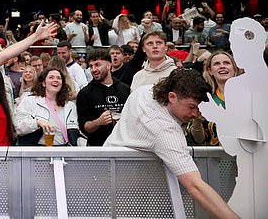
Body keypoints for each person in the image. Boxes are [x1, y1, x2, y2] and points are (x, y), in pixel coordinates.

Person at [105, 68, 240, 219]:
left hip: (117, 172)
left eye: (198, 107)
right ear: (172, 97)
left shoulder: (145, 91)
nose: (196, 114)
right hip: (126, 187)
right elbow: (195, 186)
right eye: (191, 107)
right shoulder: (164, 131)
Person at [184, 51, 241, 146]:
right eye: (217, 64)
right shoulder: (204, 99)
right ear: (210, 71)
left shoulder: (249, 96)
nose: (222, 66)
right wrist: (197, 122)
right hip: (216, 157)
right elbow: (199, 140)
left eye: (226, 63)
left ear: (234, 69)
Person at [76, 50, 130, 146]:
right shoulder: (85, 93)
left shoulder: (125, 89)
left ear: (109, 65)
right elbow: (84, 128)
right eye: (91, 66)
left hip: (123, 146)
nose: (93, 69)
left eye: (97, 65)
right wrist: (98, 122)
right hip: (98, 148)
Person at [14, 67, 79, 146]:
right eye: (51, 77)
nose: (55, 80)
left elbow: (76, 131)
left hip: (64, 151)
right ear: (43, 83)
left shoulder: (70, 106)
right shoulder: (29, 101)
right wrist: (37, 122)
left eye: (59, 78)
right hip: (38, 150)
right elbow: (18, 127)